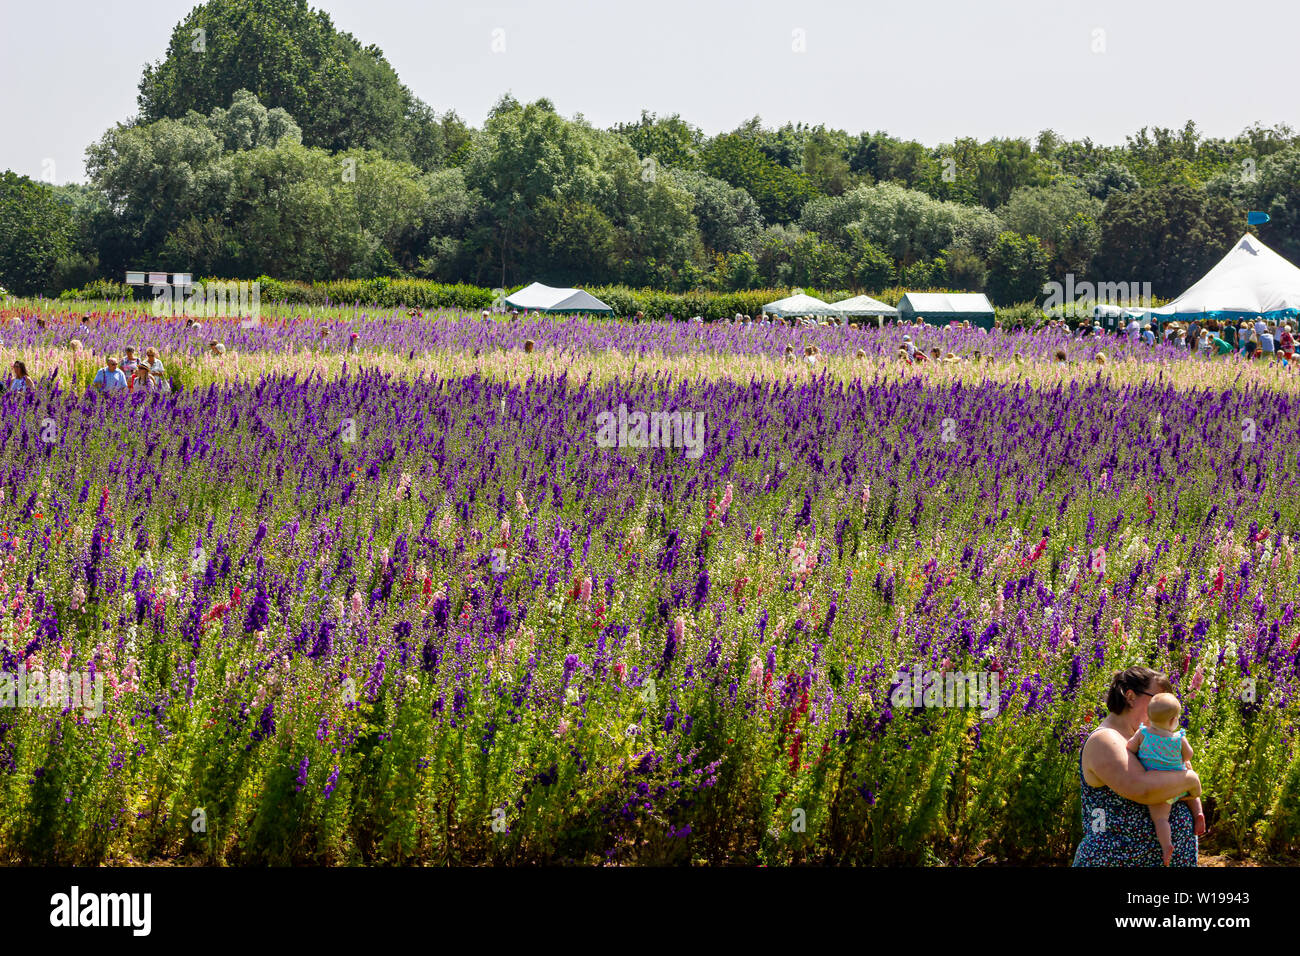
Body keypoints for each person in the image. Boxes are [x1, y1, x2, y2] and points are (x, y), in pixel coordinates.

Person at [1073, 667, 1201, 866]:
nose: (1165, 709)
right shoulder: (1105, 739)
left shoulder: (1152, 740)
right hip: (1116, 860)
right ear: (1130, 697)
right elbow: (1144, 789)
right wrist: (1190, 779)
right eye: (1158, 699)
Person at [1127, 692, 1205, 865]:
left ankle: (1166, 845)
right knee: (1192, 795)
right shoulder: (1179, 738)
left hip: (1160, 787)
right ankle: (1198, 813)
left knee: (1160, 819)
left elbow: (1129, 747)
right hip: (1179, 784)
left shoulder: (1143, 733)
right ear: (1172, 721)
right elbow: (1188, 755)